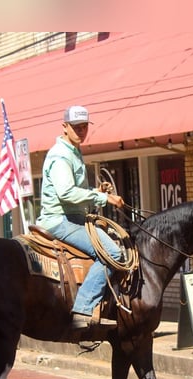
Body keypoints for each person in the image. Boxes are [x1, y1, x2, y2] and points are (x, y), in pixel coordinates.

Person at [36, 105, 125, 330]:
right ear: (65, 127)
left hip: (73, 217)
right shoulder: (61, 154)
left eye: (84, 126)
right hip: (60, 220)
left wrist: (97, 192)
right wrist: (104, 199)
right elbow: (65, 192)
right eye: (76, 127)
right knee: (112, 252)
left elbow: (73, 190)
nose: (81, 131)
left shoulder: (74, 151)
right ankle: (83, 309)